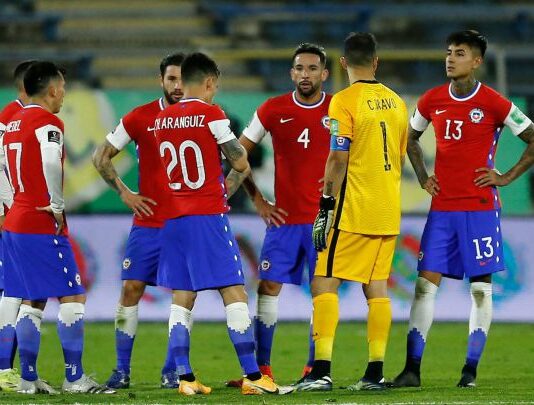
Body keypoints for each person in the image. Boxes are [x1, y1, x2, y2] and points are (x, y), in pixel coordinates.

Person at [390, 30, 534, 389]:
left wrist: (506, 176)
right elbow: (409, 139)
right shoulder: (432, 99)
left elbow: (532, 137)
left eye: (460, 53)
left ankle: (469, 371)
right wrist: (423, 177)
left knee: (481, 290)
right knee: (424, 287)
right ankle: (411, 370)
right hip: (442, 210)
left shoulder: (495, 103)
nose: (451, 59)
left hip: (480, 209)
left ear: (477, 61)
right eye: (449, 52)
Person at [155, 52, 293, 396]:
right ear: (209, 82)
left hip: (173, 218)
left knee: (182, 296)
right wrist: (227, 179)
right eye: (215, 86)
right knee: (234, 291)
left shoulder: (162, 119)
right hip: (206, 216)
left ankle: (185, 378)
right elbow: (240, 159)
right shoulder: (211, 114)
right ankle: (254, 376)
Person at [294, 32, 408, 392]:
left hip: (353, 210)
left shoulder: (343, 101)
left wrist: (326, 205)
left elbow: (338, 157)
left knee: (324, 282)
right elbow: (400, 155)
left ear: (342, 63)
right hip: (387, 211)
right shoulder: (397, 102)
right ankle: (375, 373)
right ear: (376, 61)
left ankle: (321, 371)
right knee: (377, 289)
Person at [2, 61, 113, 394]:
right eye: (63, 87)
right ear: (52, 89)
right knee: (73, 295)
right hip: (40, 220)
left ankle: (28, 378)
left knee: (32, 299)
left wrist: (9, 202)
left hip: (16, 219)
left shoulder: (12, 123)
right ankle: (74, 378)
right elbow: (51, 160)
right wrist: (57, 204)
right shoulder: (48, 121)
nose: (64, 94)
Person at [226, 42, 331, 387]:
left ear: (324, 74)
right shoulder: (272, 109)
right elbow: (237, 154)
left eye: (312, 68)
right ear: (291, 73)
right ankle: (263, 370)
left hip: (324, 221)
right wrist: (257, 200)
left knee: (322, 292)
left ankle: (314, 369)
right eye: (299, 68)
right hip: (283, 220)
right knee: (268, 287)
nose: (305, 74)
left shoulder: (339, 109)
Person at [92, 53, 184, 389]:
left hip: (187, 223)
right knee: (131, 289)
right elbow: (101, 156)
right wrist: (124, 192)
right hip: (148, 223)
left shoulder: (205, 117)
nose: (178, 86)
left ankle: (173, 370)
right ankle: (121, 371)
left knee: (183, 295)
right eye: (172, 79)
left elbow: (233, 161)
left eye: (183, 79)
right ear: (161, 80)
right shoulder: (140, 117)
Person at [0, 60, 35, 392]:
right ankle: (5, 369)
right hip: (11, 218)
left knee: (17, 292)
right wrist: (5, 212)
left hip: (17, 217)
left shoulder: (22, 117)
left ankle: (10, 369)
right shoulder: (10, 118)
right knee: (13, 292)